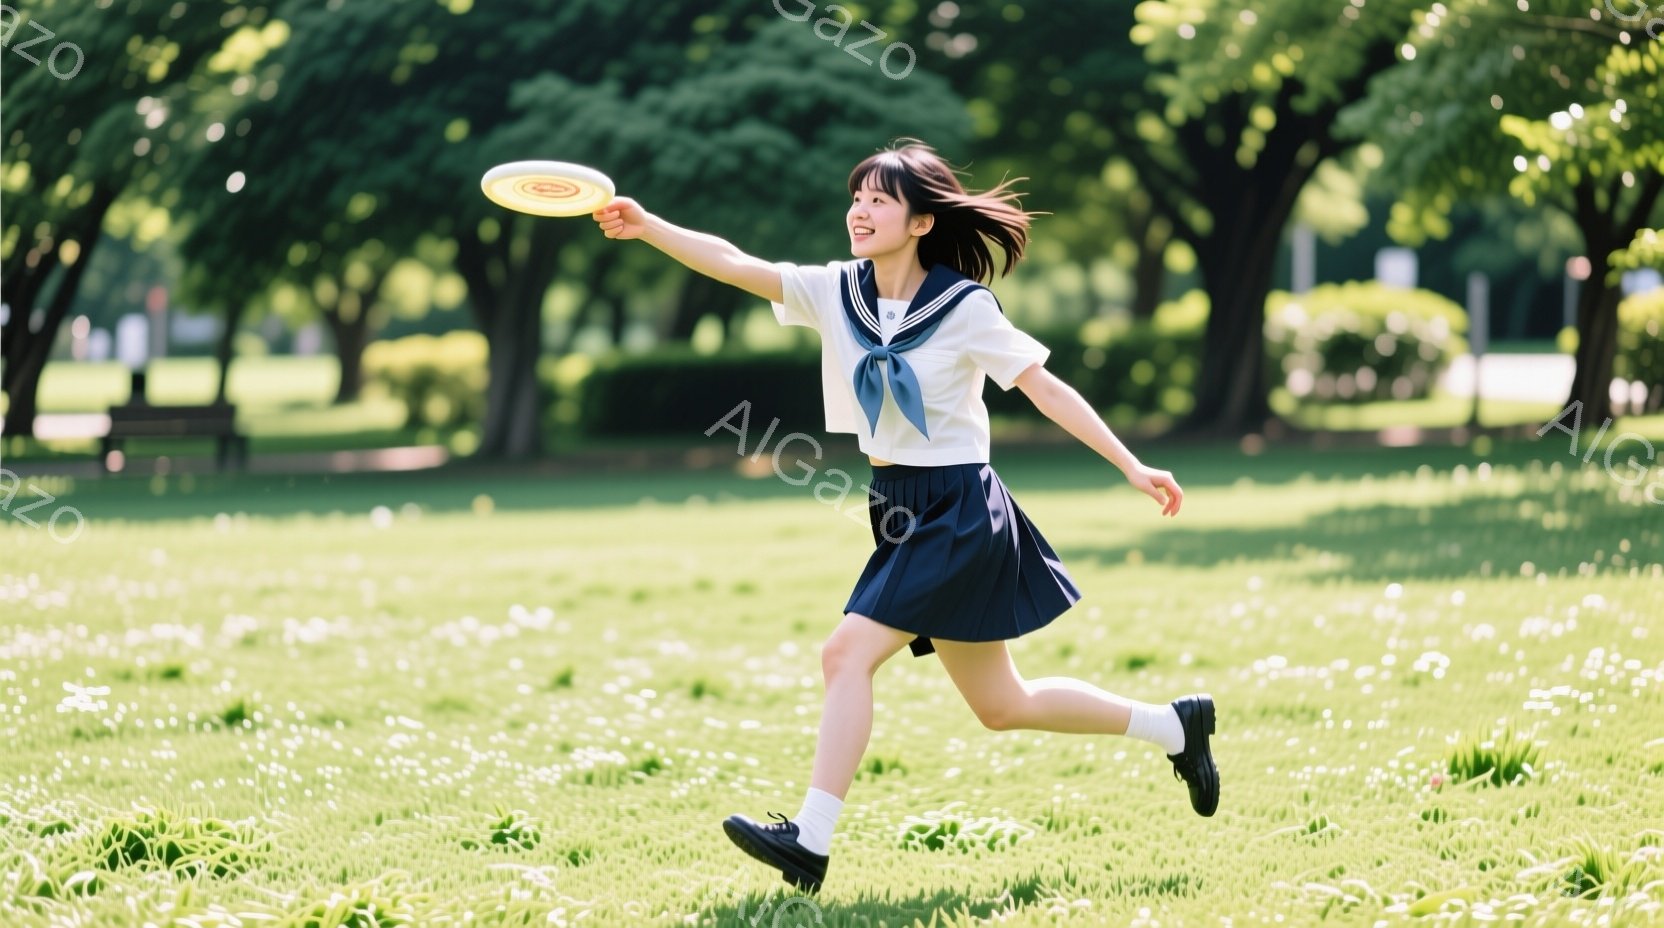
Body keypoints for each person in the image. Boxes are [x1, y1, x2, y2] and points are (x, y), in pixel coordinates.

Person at [591, 139, 1218, 895]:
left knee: (844, 654)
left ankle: (810, 840)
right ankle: (1176, 726)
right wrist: (648, 224)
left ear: (921, 222)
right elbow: (732, 261)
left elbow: (1044, 388)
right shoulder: (835, 290)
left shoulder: (964, 307)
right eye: (856, 196)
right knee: (1002, 705)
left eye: (879, 200)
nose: (859, 210)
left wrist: (1130, 463)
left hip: (958, 506)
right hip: (895, 506)